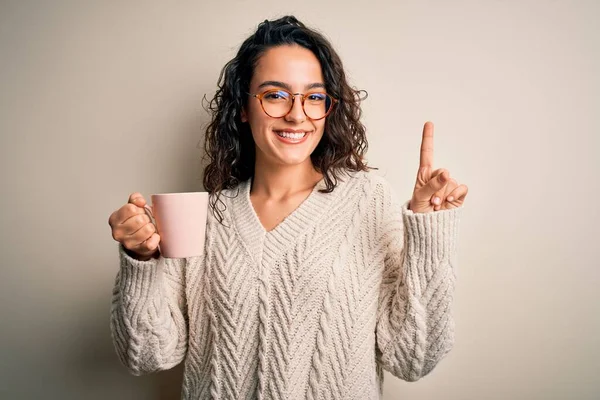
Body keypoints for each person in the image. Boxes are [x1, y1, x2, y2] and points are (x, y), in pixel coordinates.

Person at [108, 15, 468, 400]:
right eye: (275, 94)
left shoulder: (367, 200)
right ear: (243, 107)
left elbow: (412, 357)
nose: (297, 114)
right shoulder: (205, 217)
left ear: (329, 108)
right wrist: (141, 261)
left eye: (314, 97)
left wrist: (428, 230)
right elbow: (147, 356)